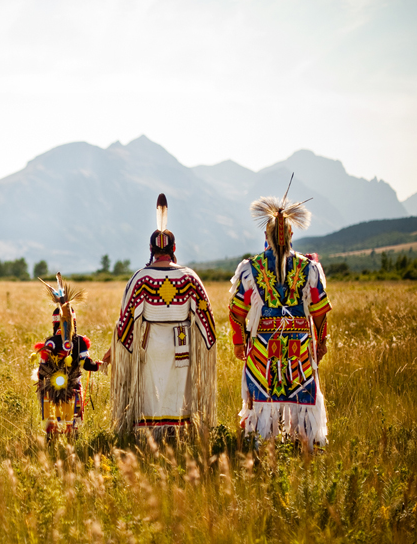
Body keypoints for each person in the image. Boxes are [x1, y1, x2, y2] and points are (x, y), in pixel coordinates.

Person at [105, 194, 217, 438]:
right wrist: (207, 344)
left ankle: (150, 437)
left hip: (151, 343)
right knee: (179, 391)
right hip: (181, 344)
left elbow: (125, 322)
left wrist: (114, 351)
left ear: (151, 249)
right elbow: (206, 317)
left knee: (151, 388)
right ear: (174, 249)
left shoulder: (142, 278)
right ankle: (178, 435)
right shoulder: (189, 277)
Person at [228, 186, 331, 448]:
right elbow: (319, 312)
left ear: (267, 235)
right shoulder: (309, 267)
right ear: (291, 233)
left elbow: (237, 310)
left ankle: (262, 443)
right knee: (302, 396)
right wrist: (321, 342)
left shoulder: (252, 268)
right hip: (299, 348)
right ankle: (305, 443)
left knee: (263, 397)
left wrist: (240, 342)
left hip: (264, 348)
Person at [34, 274, 101, 439]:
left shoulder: (77, 342)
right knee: (58, 416)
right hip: (57, 385)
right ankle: (60, 434)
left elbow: (85, 363)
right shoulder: (58, 343)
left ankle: (64, 435)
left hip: (66, 385)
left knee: (68, 417)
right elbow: (86, 363)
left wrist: (97, 365)